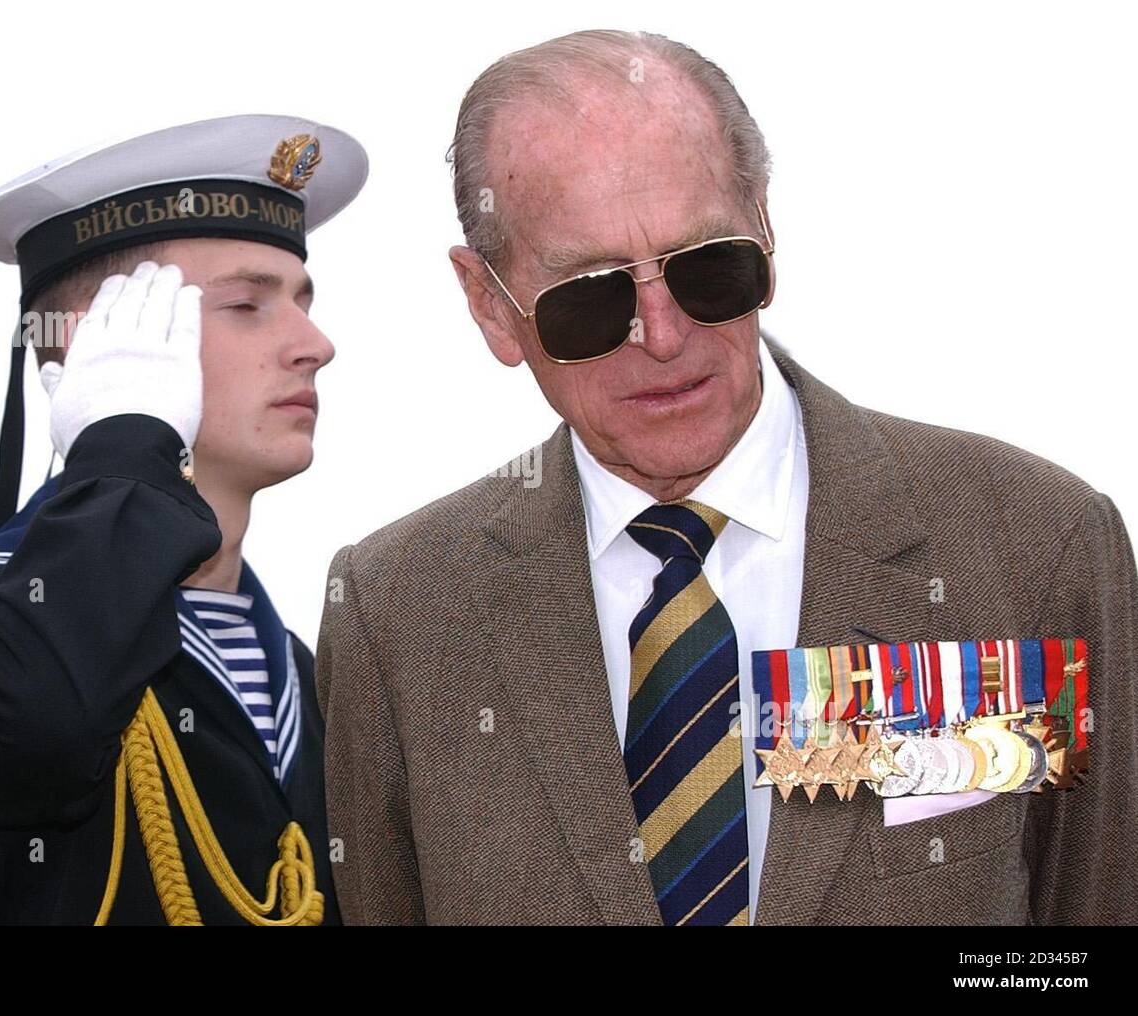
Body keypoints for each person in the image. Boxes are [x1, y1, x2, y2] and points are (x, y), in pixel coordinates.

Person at [315, 30, 1138, 925]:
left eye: (708, 269)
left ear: (767, 230)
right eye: (591, 297)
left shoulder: (1032, 546)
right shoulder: (397, 615)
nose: (662, 336)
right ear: (490, 305)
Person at [0, 114, 367, 924]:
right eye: (246, 306)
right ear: (107, 349)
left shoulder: (307, 667)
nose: (316, 343)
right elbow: (29, 732)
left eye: (303, 301)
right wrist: (126, 445)